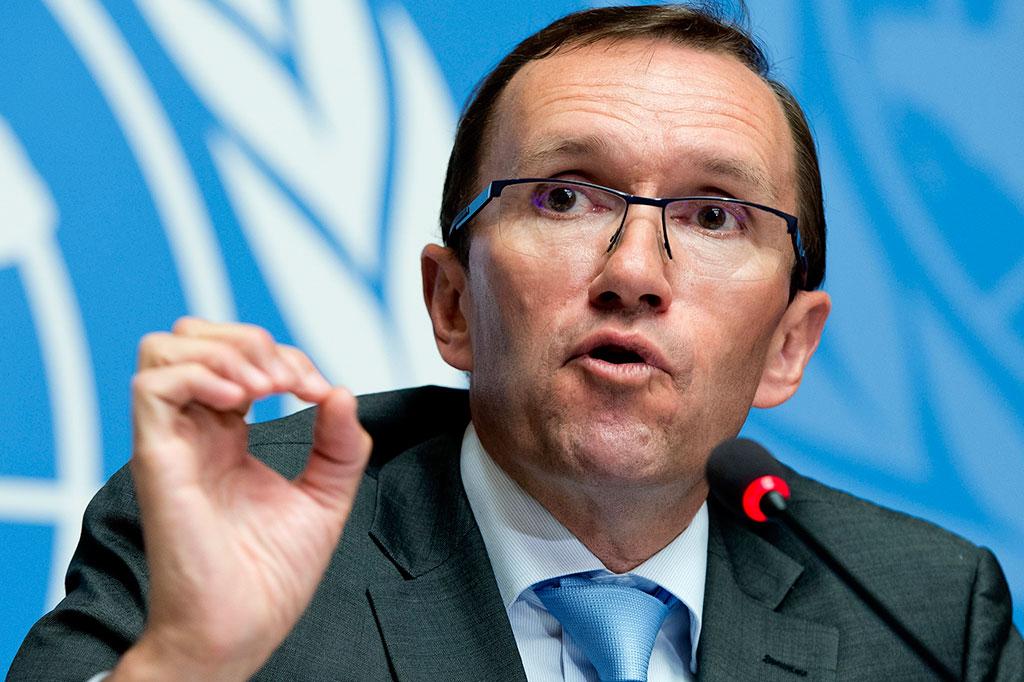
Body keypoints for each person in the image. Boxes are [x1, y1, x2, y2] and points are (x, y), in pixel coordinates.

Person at [9, 4, 1022, 681]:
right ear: (451, 303)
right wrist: (183, 663)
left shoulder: (923, 614)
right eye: (566, 196)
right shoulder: (237, 530)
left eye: (715, 214)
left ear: (788, 347)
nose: (634, 270)